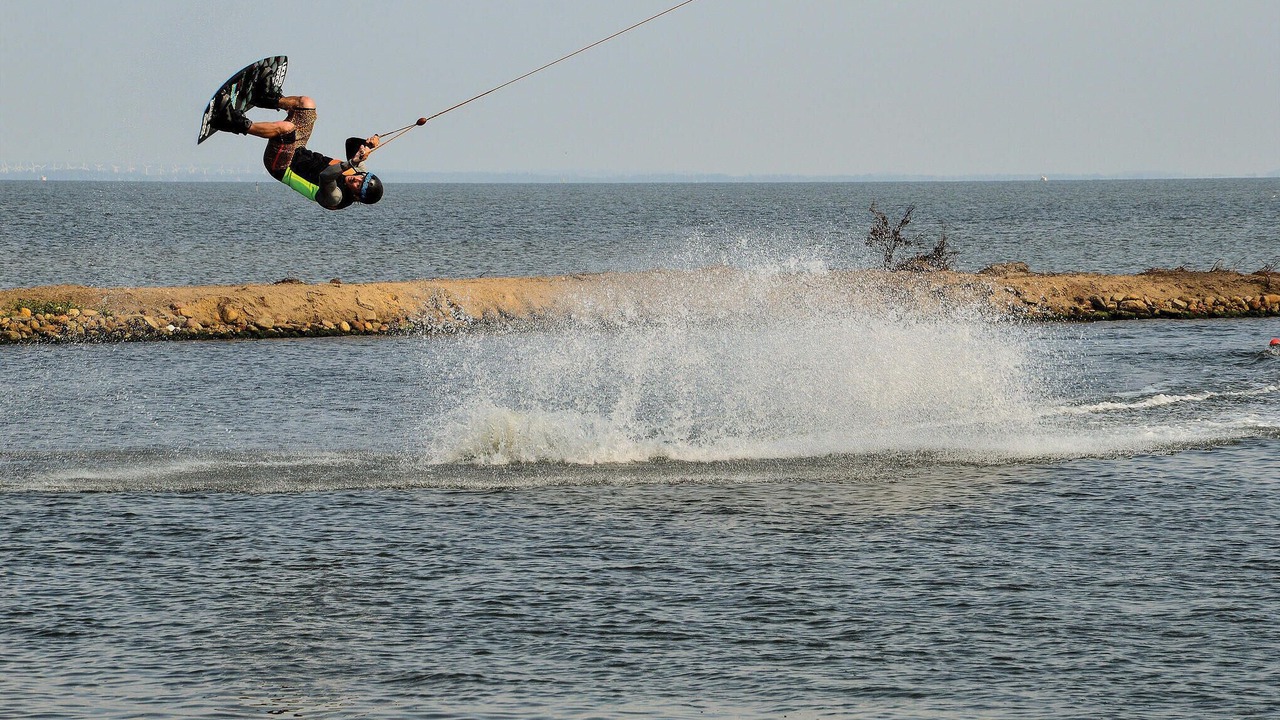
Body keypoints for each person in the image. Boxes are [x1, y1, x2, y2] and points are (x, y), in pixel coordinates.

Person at [210, 91, 383, 210]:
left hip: (282, 166)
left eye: (357, 186)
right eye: (360, 178)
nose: (355, 179)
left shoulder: (337, 198)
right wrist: (368, 144)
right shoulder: (358, 171)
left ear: (357, 197)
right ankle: (266, 98)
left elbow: (326, 176)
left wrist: (353, 161)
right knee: (307, 104)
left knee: (287, 128)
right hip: (298, 148)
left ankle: (231, 123)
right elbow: (351, 143)